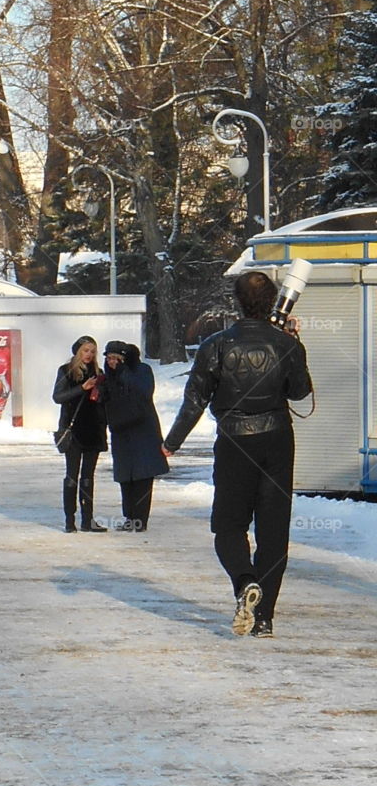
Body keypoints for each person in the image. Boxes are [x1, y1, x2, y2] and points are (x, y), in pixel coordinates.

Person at [162, 270, 313, 637]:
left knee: (228, 526)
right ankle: (264, 618)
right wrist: (296, 344)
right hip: (278, 438)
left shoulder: (216, 344)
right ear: (272, 301)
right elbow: (299, 392)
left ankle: (245, 581)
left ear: (237, 301)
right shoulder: (284, 342)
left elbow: (194, 401)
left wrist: (170, 443)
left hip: (234, 441)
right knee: (273, 530)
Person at [101, 340, 168, 531]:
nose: (113, 363)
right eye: (110, 358)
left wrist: (123, 372)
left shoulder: (142, 370)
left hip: (143, 430)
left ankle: (140, 519)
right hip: (121, 431)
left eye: (117, 359)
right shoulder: (108, 378)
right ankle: (129, 517)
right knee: (125, 476)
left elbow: (144, 392)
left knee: (142, 475)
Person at [51, 336, 108, 533]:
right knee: (72, 475)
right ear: (77, 352)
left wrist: (100, 395)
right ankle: (69, 519)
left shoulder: (99, 373)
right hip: (73, 430)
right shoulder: (66, 371)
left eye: (93, 351)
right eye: (85, 350)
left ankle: (88, 519)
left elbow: (104, 402)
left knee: (88, 477)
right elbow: (57, 397)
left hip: (93, 430)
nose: (89, 355)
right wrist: (81, 388)